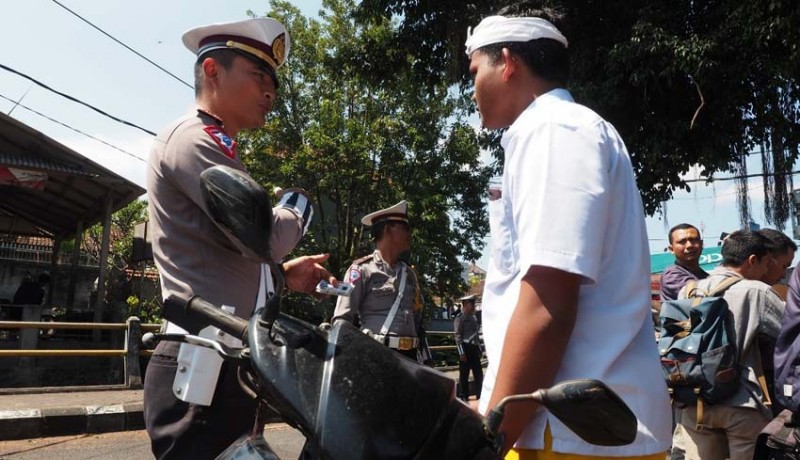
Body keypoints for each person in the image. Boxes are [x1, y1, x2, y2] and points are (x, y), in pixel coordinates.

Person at [465, 7, 671, 458]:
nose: (472, 88)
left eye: (475, 70)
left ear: (508, 62)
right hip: (568, 429)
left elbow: (547, 303)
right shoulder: (556, 130)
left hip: (571, 435)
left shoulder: (554, 130)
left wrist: (491, 438)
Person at [144, 17, 336, 459]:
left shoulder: (220, 148)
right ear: (213, 70)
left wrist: (283, 277)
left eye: (273, 81)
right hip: (200, 366)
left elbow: (231, 254)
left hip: (227, 365)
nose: (270, 92)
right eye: (258, 76)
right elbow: (263, 237)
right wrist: (296, 204)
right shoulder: (193, 140)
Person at [675, 230, 784, 460]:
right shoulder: (756, 290)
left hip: (694, 400)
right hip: (741, 402)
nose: (766, 271)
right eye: (766, 264)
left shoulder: (689, 289)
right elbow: (790, 332)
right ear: (753, 260)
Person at [332, 200, 428, 362]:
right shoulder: (361, 270)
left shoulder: (409, 274)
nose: (409, 234)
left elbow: (417, 320)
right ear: (387, 229)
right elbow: (342, 320)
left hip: (410, 358)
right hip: (375, 355)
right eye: (405, 228)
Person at [660, 223, 709, 301]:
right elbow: (699, 291)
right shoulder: (671, 275)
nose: (689, 245)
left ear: (702, 244)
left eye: (694, 240)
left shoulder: (705, 276)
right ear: (671, 249)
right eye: (682, 242)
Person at [454, 294, 483, 401]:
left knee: (478, 373)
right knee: (464, 374)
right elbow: (457, 336)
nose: (474, 306)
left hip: (474, 348)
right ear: (466, 304)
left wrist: (479, 348)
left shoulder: (473, 318)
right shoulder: (459, 318)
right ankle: (463, 395)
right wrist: (461, 352)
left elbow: (476, 335)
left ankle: (480, 394)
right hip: (465, 348)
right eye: (472, 304)